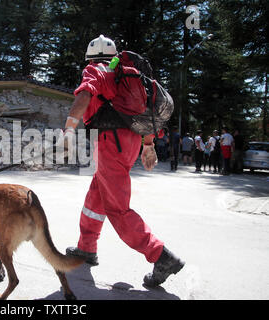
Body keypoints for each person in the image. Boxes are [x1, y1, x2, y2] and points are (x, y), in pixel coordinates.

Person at [64, 35, 184, 288]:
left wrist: (68, 129)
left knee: (118, 209)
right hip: (127, 143)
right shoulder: (129, 75)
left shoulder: (97, 70)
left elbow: (84, 95)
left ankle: (160, 255)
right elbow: (144, 114)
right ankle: (87, 248)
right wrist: (148, 145)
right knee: (96, 195)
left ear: (91, 57)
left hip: (109, 143)